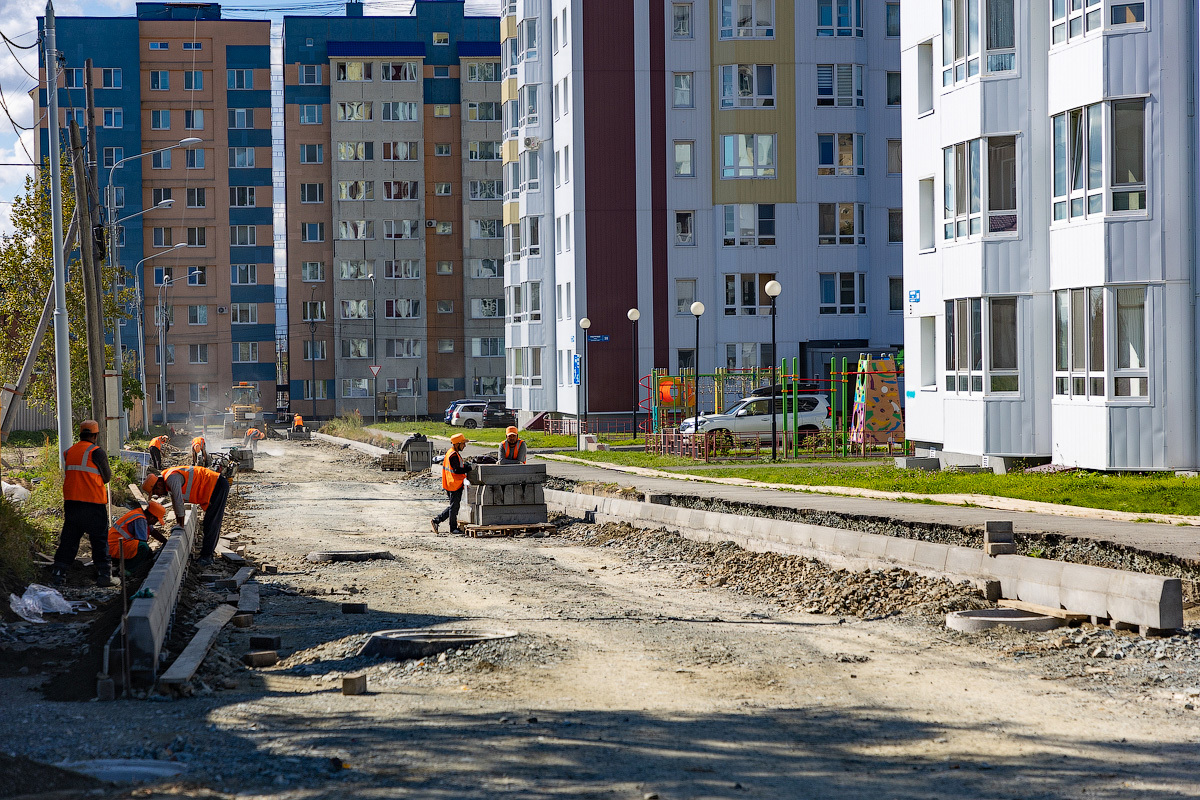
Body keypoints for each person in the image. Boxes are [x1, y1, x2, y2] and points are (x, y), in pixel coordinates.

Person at [51, 420, 118, 587]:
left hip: (72, 503)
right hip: (93, 502)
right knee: (99, 540)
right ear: (95, 435)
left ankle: (59, 574)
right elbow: (107, 477)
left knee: (69, 539)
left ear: (80, 434)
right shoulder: (97, 452)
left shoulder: (69, 452)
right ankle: (104, 576)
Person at [142, 463, 229, 567]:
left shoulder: (171, 479)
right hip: (213, 487)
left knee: (212, 522)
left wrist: (181, 524)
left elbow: (179, 501)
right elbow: (175, 501)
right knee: (208, 522)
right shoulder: (168, 479)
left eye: (156, 492)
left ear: (159, 485)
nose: (159, 495)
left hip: (217, 485)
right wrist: (179, 523)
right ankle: (207, 553)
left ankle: (207, 557)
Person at [108, 500, 168, 575]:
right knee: (143, 547)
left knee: (142, 549)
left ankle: (121, 565)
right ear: (152, 518)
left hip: (115, 546)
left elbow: (153, 531)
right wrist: (149, 555)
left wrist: (165, 541)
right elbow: (142, 541)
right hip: (113, 548)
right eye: (157, 520)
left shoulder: (141, 514)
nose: (156, 523)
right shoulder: (140, 519)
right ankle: (126, 571)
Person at [431, 433, 470, 535]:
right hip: (454, 484)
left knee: (453, 506)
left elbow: (456, 466)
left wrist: (465, 465)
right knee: (454, 507)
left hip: (451, 483)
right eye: (463, 443)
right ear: (457, 444)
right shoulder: (453, 454)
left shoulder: (451, 452)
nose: (464, 446)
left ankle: (437, 520)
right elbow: (457, 470)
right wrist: (469, 468)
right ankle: (452, 528)